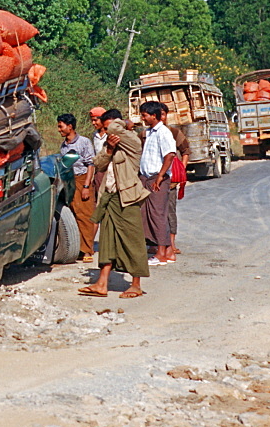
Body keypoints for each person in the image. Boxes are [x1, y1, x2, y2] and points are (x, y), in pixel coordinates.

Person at [78, 109, 151, 299]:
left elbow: (113, 127)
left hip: (127, 197)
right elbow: (99, 163)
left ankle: (136, 285)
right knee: (107, 241)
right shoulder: (112, 144)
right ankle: (101, 283)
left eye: (113, 127)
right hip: (110, 196)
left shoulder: (133, 142)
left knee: (133, 240)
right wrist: (109, 150)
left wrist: (123, 122)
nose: (110, 132)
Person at [138, 101, 177, 266]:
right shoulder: (149, 132)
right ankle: (166, 251)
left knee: (158, 216)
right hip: (147, 178)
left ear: (153, 115)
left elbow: (170, 155)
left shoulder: (163, 132)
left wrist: (160, 177)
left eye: (145, 115)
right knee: (148, 215)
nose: (143, 118)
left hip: (157, 179)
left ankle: (161, 253)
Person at [57, 113, 97, 263]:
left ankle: (87, 250)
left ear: (70, 126)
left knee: (85, 216)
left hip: (82, 180)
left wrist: (86, 186)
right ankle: (77, 248)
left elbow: (90, 165)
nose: (59, 130)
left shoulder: (84, 142)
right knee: (73, 213)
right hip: (69, 181)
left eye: (61, 126)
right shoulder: (64, 145)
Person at [167, 121, 190, 258]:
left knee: (170, 211)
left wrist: (181, 168)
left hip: (170, 181)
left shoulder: (174, 133)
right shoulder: (146, 134)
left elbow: (186, 151)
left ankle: (171, 243)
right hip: (152, 180)